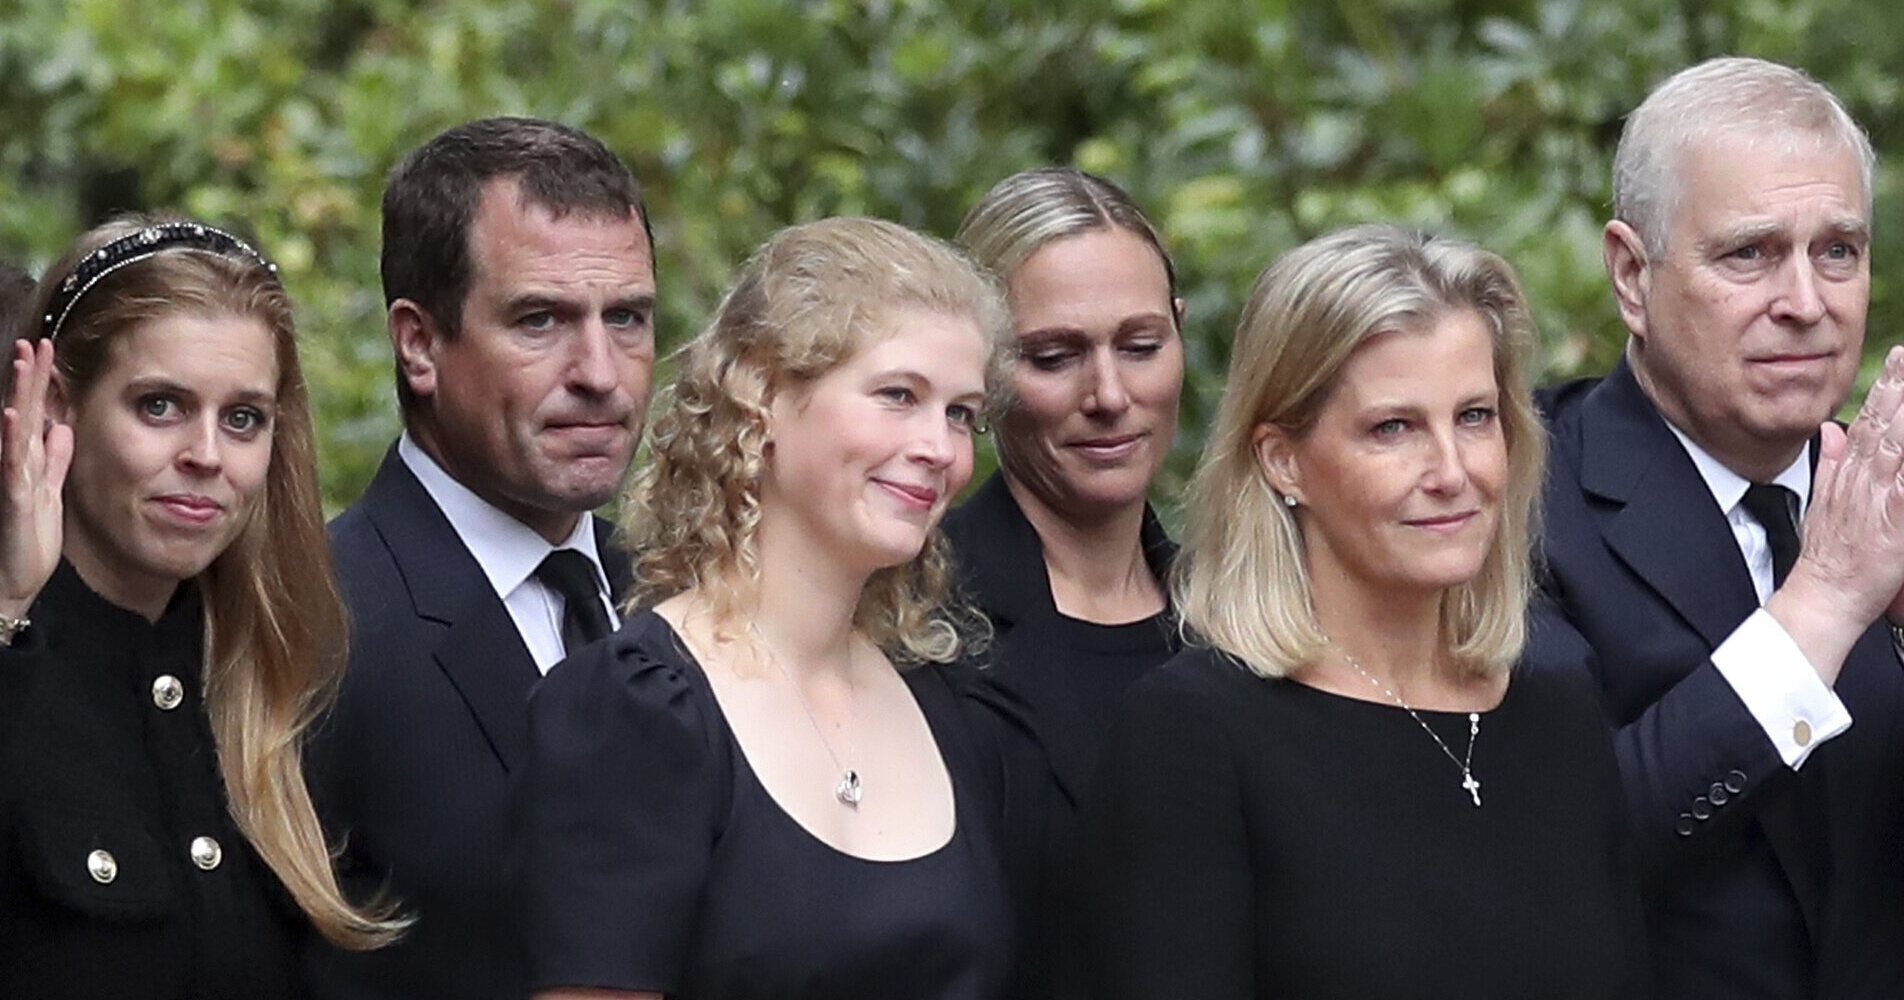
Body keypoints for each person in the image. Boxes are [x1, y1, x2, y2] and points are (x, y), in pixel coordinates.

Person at [1536, 56, 1904, 998]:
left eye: (1839, 251)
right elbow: (1547, 864)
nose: (1806, 302)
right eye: (1749, 253)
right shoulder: (1515, 503)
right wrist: (1822, 606)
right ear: (1632, 272)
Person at [1081, 224, 1645, 998]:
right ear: (1284, 461)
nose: (1451, 471)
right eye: (1394, 428)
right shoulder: (1192, 734)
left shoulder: (1561, 710)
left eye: (1475, 417)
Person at [516, 216, 1012, 1000]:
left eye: (961, 414)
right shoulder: (637, 709)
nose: (942, 450)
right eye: (898, 395)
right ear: (766, 397)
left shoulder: (946, 702)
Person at [0, 217, 401, 997]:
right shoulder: (17, 659)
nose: (207, 456)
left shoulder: (282, 679)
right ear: (58, 404)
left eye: (242, 418)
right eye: (160, 406)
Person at [304, 117, 656, 1000]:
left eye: (629, 319)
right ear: (419, 343)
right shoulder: (316, 624)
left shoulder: (677, 592)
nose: (602, 372)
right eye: (541, 320)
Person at [949, 166, 1184, 1000]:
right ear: (978, 376)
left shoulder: (1245, 616)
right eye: (1055, 357)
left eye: (1141, 346)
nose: (1110, 395)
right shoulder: (912, 622)